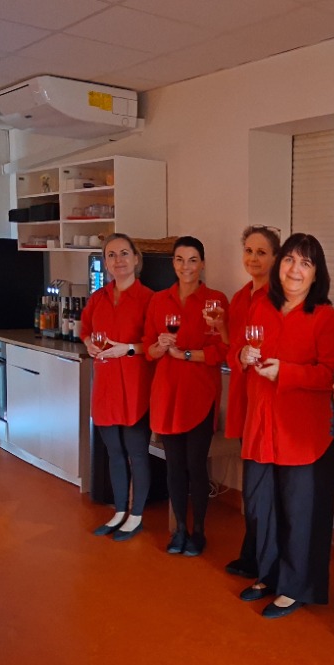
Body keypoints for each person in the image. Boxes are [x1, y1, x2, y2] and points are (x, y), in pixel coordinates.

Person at [237, 233, 334, 618]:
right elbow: (241, 353)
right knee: (259, 506)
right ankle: (268, 575)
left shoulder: (324, 316)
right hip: (261, 427)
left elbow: (333, 373)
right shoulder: (260, 306)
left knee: (300, 515)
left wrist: (286, 372)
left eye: (305, 263)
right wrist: (242, 355)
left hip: (304, 433)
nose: (295, 269)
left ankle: (295, 586)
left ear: (316, 274)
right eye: (289, 260)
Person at [143, 236, 229, 557]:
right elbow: (149, 350)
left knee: (196, 466)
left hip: (201, 395)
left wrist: (187, 354)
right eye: (180, 260)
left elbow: (222, 350)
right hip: (167, 394)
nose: (186, 266)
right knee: (174, 467)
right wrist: (161, 346)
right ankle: (180, 528)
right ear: (173, 263)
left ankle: (199, 531)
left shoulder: (215, 301)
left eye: (193, 260)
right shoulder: (159, 300)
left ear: (202, 264)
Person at [80, 234, 155, 541]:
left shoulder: (149, 299)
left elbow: (154, 345)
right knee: (114, 452)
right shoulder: (98, 298)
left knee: (137, 453)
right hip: (106, 385)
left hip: (136, 386)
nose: (118, 260)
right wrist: (89, 343)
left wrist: (128, 349)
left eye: (124, 253)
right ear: (106, 262)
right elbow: (85, 330)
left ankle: (136, 515)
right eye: (111, 255)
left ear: (136, 258)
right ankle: (119, 511)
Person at [223, 225, 281, 580]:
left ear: (275, 258)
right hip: (244, 397)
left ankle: (262, 559)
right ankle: (253, 552)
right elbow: (233, 350)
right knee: (253, 482)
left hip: (268, 401)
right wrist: (238, 353)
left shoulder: (278, 299)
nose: (253, 258)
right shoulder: (240, 297)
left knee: (263, 487)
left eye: (261, 252)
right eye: (249, 251)